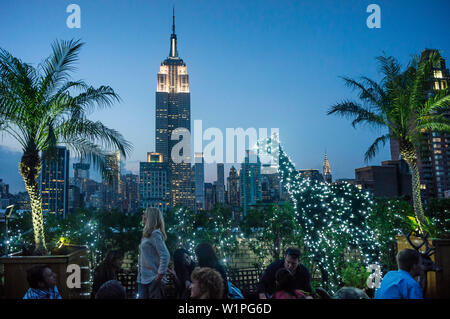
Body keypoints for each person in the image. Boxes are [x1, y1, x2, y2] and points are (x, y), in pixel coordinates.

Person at [137, 207, 170, 299]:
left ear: (150, 217)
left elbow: (165, 255)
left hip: (152, 279)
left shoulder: (155, 234)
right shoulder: (147, 235)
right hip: (143, 279)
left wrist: (160, 275)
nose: (142, 216)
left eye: (145, 214)